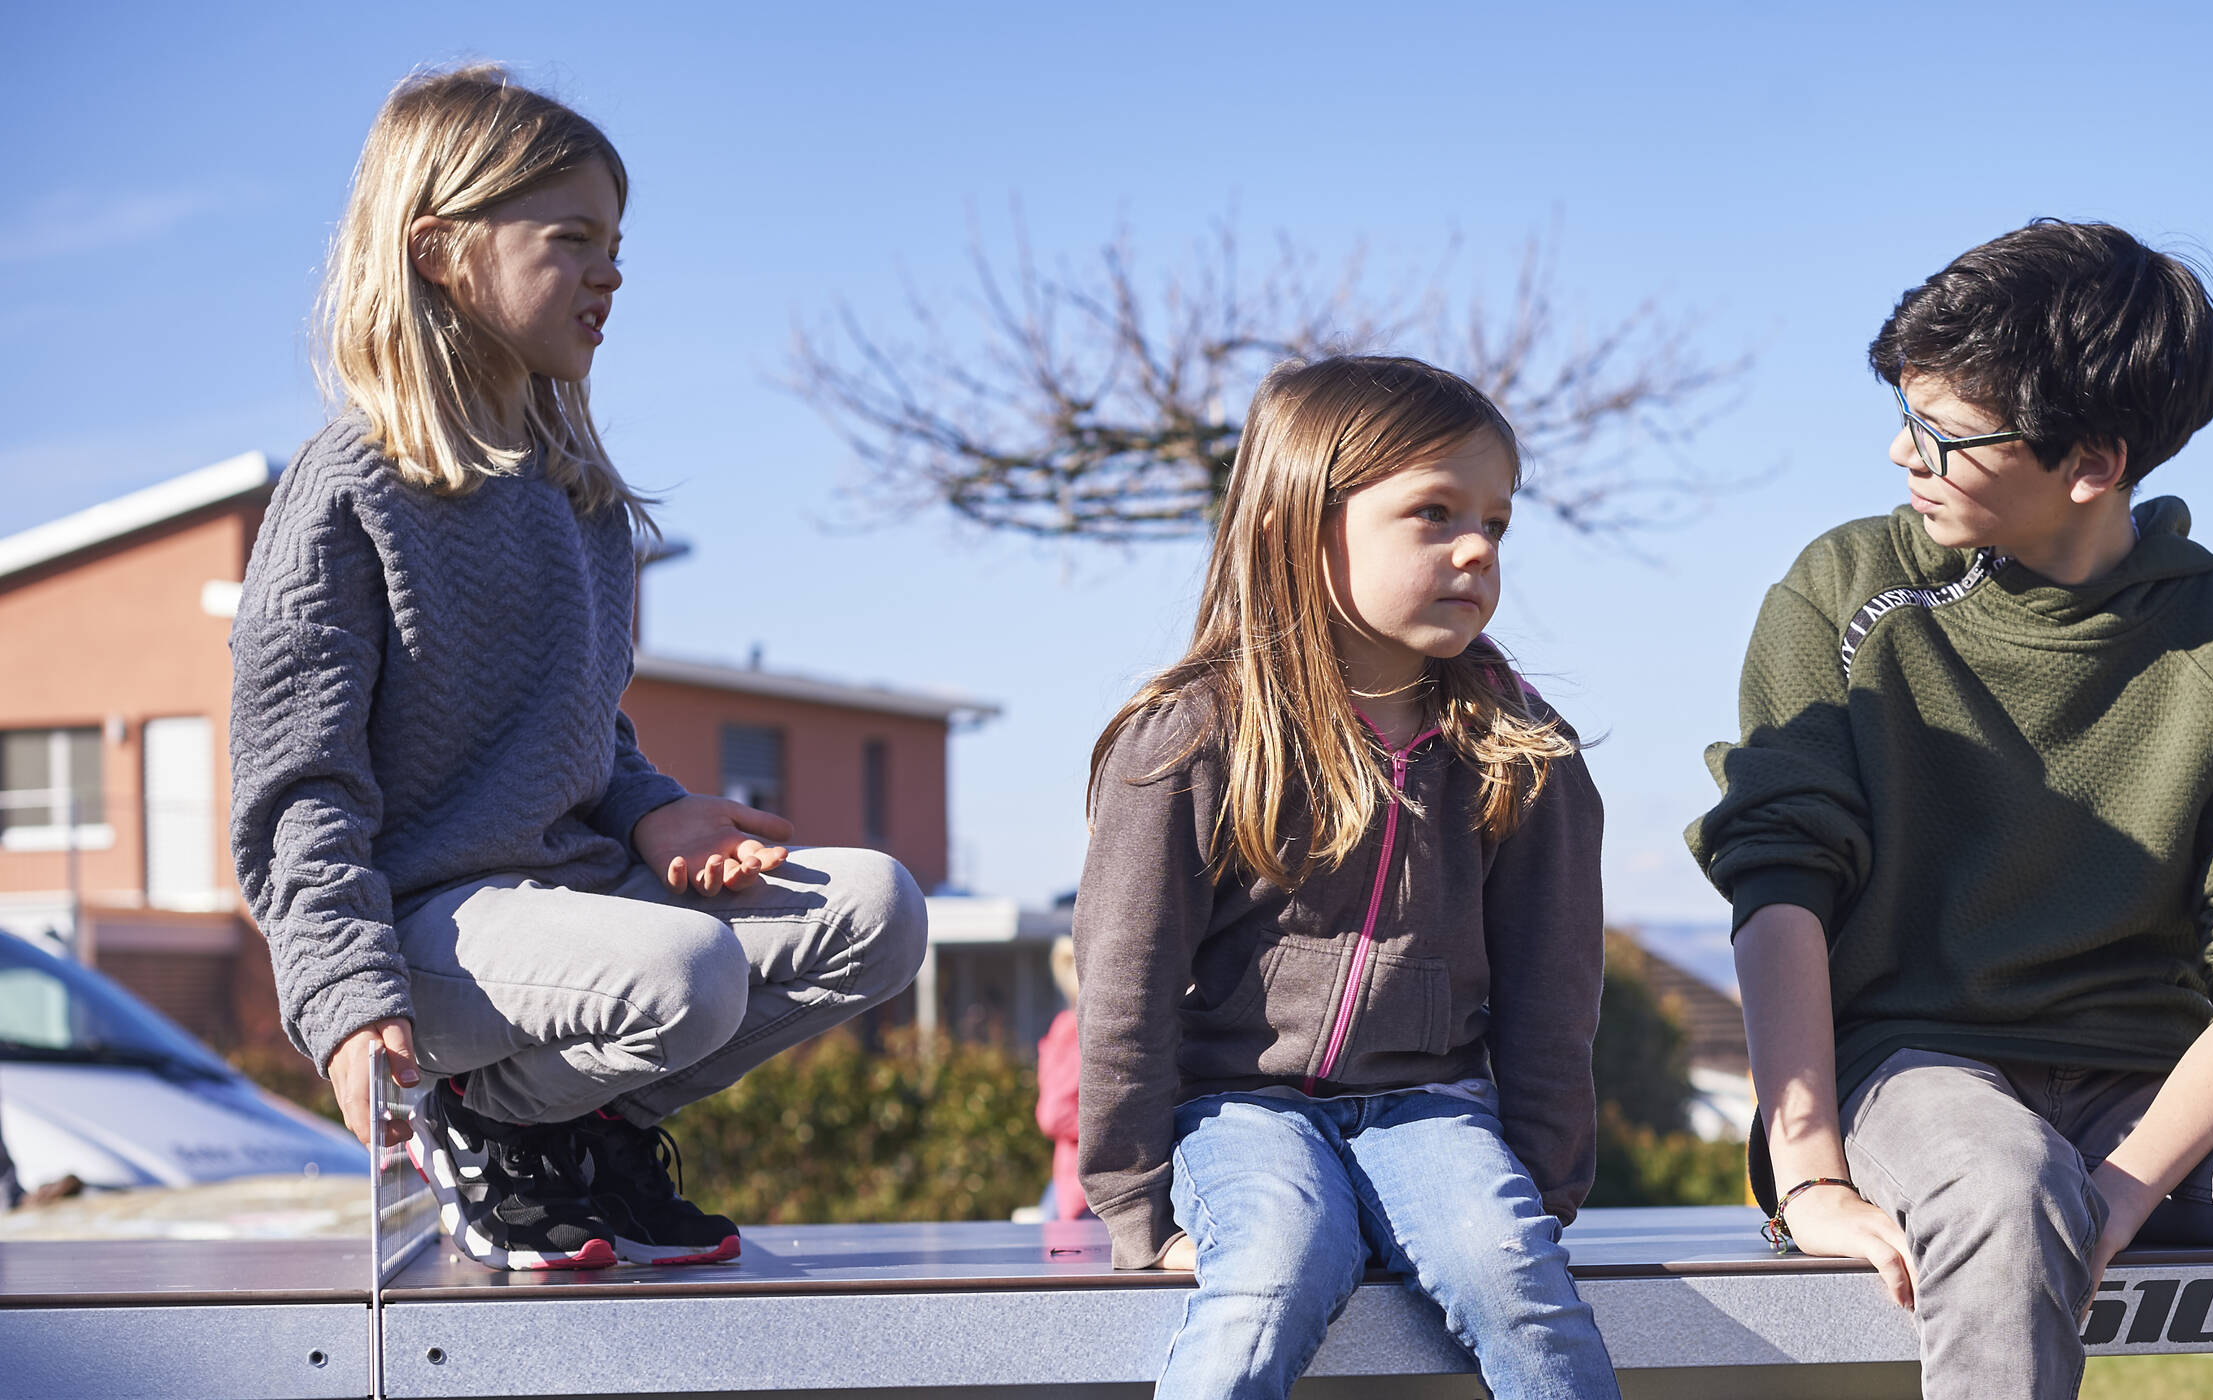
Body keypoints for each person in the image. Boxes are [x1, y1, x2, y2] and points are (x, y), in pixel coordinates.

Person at [1688, 219, 2213, 1398]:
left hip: (2156, 1087)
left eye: (1941, 432)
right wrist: (1809, 1173)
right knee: (2003, 1186)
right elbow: (1779, 874)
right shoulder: (1847, 587)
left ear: (2090, 461)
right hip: (1913, 1073)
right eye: (1902, 411)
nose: (1900, 450)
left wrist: (2125, 1185)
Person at [230, 65, 928, 1273]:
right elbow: (300, 786)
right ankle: (485, 1124)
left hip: (571, 904)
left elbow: (577, 729)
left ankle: (581, 1131)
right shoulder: (348, 489)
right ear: (440, 251)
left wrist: (653, 811)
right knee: (685, 971)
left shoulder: (576, 495)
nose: (610, 274)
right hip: (427, 934)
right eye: (572, 240)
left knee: (878, 908)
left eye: (616, 245)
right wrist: (346, 994)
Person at [1076, 356, 1619, 1400]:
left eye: (1496, 523)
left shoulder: (1519, 750)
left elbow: (1555, 988)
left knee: (1511, 1277)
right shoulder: (1192, 740)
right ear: (1299, 522)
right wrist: (1135, 1207)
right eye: (1433, 513)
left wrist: (1543, 1189)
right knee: (1275, 1266)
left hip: (1434, 1110)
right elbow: (1125, 983)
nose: (1477, 548)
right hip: (1240, 1107)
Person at [1034, 936, 1085, 1221]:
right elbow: (1053, 1114)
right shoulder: (1073, 1033)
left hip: (1075, 1183)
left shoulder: (1067, 1030)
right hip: (1082, 1188)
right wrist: (1115, 1130)